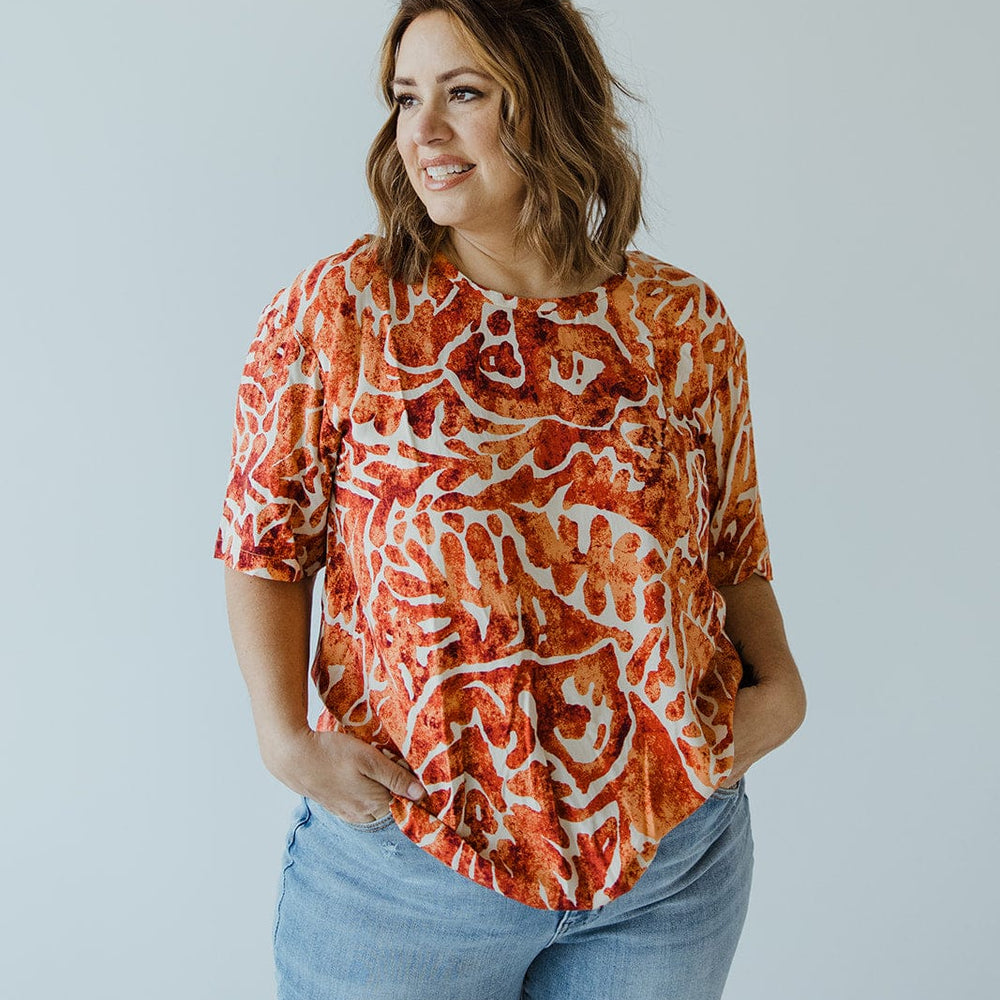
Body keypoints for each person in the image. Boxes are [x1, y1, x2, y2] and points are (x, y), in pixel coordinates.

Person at [216, 1, 806, 997]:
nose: (423, 132)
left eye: (465, 94)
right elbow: (263, 543)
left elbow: (730, 550)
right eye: (406, 98)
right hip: (410, 875)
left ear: (551, 105)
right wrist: (283, 738)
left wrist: (779, 689)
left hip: (668, 869)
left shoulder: (680, 323)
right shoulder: (342, 311)